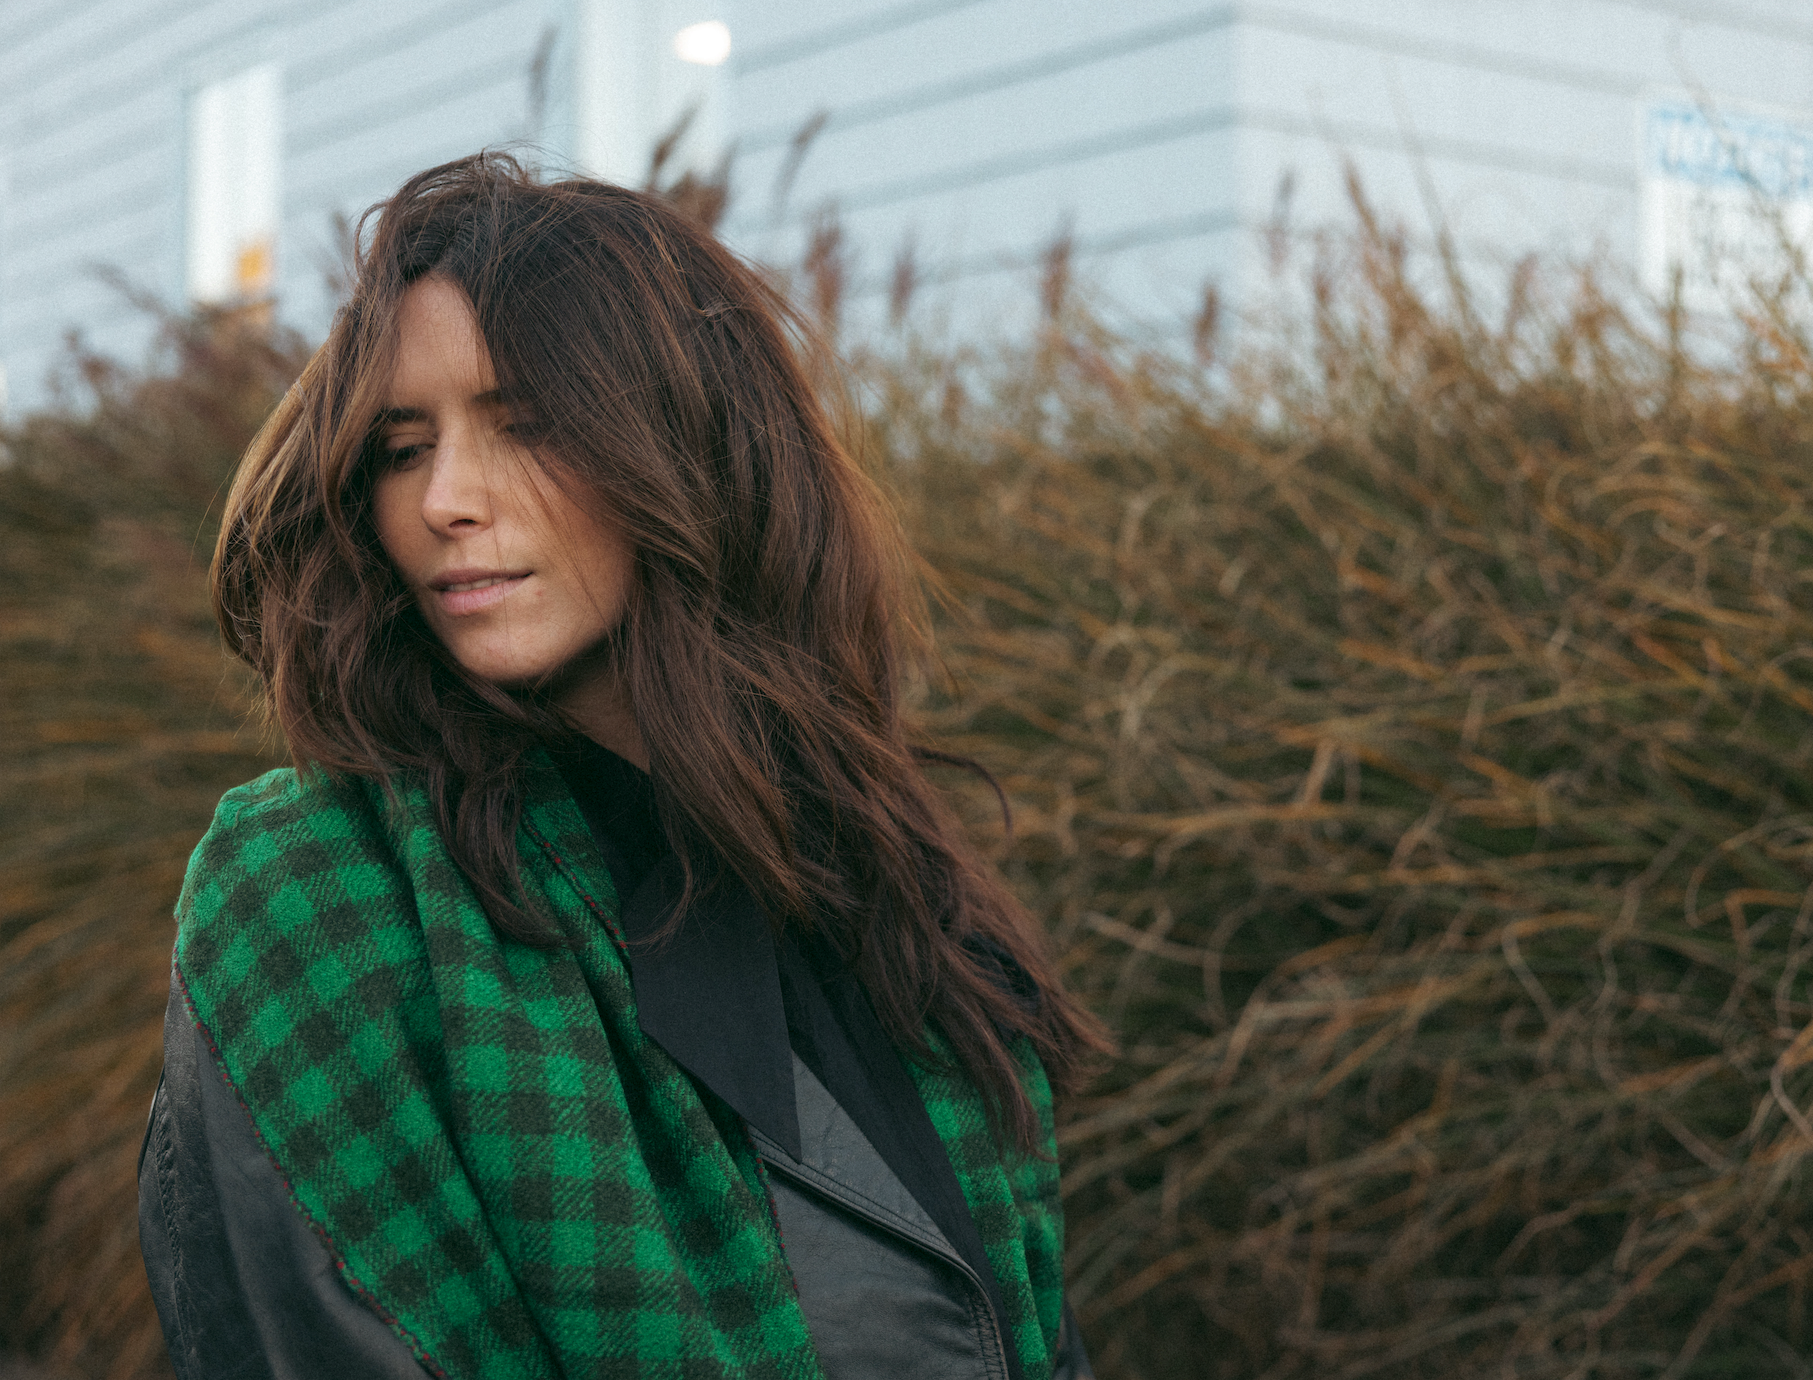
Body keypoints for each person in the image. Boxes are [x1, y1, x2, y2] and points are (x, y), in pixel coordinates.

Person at [137, 152, 1105, 1380]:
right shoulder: (319, 893)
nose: (444, 499)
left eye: (524, 425)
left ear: (688, 449)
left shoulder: (882, 889)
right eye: (401, 446)